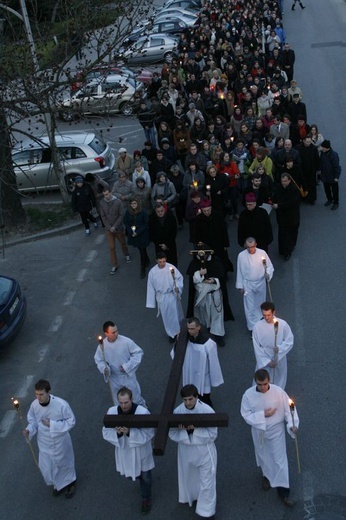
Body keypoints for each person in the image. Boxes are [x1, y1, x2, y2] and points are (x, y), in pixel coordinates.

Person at [241, 369, 299, 507]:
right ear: (255, 382)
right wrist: (262, 415)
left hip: (275, 431)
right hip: (259, 431)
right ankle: (266, 476)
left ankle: (284, 492)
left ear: (269, 381)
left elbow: (289, 410)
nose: (263, 387)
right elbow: (245, 414)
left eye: (265, 384)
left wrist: (292, 424)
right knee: (264, 457)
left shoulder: (278, 392)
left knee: (279, 460)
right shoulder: (248, 395)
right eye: (260, 384)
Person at [102, 387, 154, 515]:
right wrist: (118, 434)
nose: (123, 406)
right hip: (126, 450)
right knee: (136, 473)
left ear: (132, 399)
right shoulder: (112, 412)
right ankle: (140, 481)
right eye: (121, 403)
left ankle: (146, 497)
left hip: (141, 450)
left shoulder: (142, 412)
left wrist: (130, 432)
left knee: (146, 476)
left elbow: (149, 433)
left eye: (126, 402)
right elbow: (105, 431)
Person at [169, 384, 218, 519]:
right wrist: (183, 431)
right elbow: (172, 433)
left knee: (207, 481)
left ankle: (207, 512)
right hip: (186, 452)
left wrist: (192, 430)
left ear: (197, 397)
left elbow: (213, 434)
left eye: (191, 399)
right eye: (185, 400)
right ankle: (195, 497)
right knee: (190, 478)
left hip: (204, 452)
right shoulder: (178, 412)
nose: (188, 403)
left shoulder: (207, 411)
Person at [24, 379, 76, 498]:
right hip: (44, 441)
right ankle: (58, 484)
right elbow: (32, 421)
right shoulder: (34, 405)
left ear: (48, 392)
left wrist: (52, 424)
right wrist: (29, 430)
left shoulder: (61, 404)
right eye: (36, 394)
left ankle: (70, 483)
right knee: (47, 467)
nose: (38, 397)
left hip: (60, 440)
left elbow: (71, 421)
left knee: (64, 464)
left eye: (41, 394)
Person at [94, 321, 146, 406]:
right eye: (113, 332)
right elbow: (99, 360)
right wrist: (104, 368)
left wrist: (127, 366)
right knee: (119, 402)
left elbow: (138, 353)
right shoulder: (102, 346)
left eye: (117, 331)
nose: (116, 334)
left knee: (135, 398)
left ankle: (143, 412)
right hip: (114, 378)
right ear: (106, 333)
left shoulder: (126, 341)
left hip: (127, 376)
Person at [178, 318, 224, 406]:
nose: (190, 331)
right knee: (190, 393)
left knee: (205, 398)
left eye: (192, 329)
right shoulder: (185, 340)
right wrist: (178, 341)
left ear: (198, 327)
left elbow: (214, 363)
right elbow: (176, 353)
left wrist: (215, 379)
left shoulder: (208, 343)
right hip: (190, 373)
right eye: (188, 329)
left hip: (202, 375)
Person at [236, 237, 274, 333]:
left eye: (252, 246)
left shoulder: (262, 253)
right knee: (250, 306)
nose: (250, 249)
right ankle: (252, 328)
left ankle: (261, 321)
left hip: (260, 283)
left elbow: (269, 266)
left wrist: (268, 274)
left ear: (256, 244)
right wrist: (240, 286)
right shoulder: (241, 256)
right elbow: (239, 271)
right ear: (245, 245)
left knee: (260, 303)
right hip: (248, 284)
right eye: (248, 247)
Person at [252, 302, 294, 389]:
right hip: (264, 355)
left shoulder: (282, 324)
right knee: (262, 380)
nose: (266, 318)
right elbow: (257, 346)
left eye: (269, 315)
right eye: (264, 315)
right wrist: (267, 361)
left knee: (279, 379)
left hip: (279, 356)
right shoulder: (257, 327)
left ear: (274, 312)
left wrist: (280, 349)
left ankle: (277, 396)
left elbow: (289, 340)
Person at [146, 251, 184, 342]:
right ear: (156, 261)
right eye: (160, 262)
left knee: (176, 313)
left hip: (172, 294)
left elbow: (179, 278)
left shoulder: (171, 268)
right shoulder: (152, 272)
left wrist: (177, 287)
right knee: (167, 316)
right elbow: (150, 287)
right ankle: (172, 334)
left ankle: (180, 331)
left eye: (163, 261)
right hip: (162, 297)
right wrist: (151, 302)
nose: (162, 264)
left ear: (166, 259)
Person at [100, 188, 131, 274]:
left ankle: (127, 254)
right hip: (109, 229)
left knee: (122, 243)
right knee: (112, 247)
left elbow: (121, 215)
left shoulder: (118, 202)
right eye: (104, 195)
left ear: (110, 193)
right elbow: (102, 216)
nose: (105, 196)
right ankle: (114, 264)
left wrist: (115, 226)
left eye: (107, 194)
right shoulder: (102, 203)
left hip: (118, 228)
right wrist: (109, 227)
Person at [272, 174, 301, 260]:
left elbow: (292, 203)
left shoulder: (294, 190)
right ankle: (283, 250)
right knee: (283, 234)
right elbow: (275, 197)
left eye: (285, 181)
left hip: (292, 217)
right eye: (282, 181)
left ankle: (288, 251)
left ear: (289, 180)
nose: (283, 183)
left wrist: (279, 206)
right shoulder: (278, 187)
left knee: (290, 234)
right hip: (282, 216)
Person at [123, 198, 150, 279]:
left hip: (141, 234)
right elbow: (126, 222)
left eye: (135, 203)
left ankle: (143, 267)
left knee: (142, 250)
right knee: (141, 249)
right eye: (132, 203)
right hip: (133, 234)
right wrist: (131, 232)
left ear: (138, 203)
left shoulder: (143, 212)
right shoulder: (128, 212)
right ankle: (147, 259)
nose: (133, 205)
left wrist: (137, 232)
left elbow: (146, 224)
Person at [320, 140, 342, 211]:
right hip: (325, 176)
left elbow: (337, 167)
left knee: (335, 190)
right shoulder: (323, 153)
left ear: (327, 147)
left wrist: (336, 177)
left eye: (323, 147)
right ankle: (329, 200)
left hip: (332, 177)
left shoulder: (334, 155)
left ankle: (336, 203)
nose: (322, 148)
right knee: (327, 190)